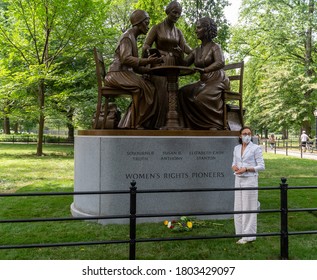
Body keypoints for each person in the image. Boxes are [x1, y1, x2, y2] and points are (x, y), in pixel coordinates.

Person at [104, 10, 162, 129]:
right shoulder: (127, 37)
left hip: (124, 73)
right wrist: (147, 61)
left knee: (150, 86)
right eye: (146, 23)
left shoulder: (132, 37)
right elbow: (126, 59)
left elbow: (135, 67)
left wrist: (149, 69)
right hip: (116, 74)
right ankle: (136, 123)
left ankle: (132, 122)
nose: (148, 26)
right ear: (138, 23)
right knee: (144, 88)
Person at [142, 0, 192, 128]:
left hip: (173, 65)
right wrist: (151, 56)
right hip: (159, 64)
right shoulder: (156, 28)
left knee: (173, 92)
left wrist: (195, 52)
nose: (176, 15)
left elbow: (185, 47)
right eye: (174, 12)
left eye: (179, 14)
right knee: (161, 91)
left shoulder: (179, 32)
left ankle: (172, 122)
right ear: (168, 12)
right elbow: (146, 46)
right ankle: (157, 123)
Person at [178, 17, 230, 130]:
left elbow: (220, 62)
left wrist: (205, 70)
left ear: (206, 29)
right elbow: (185, 63)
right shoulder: (196, 50)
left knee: (201, 97)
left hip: (217, 80)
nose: (196, 30)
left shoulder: (215, 47)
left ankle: (215, 124)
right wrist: (179, 54)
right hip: (204, 81)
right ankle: (188, 124)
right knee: (182, 92)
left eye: (199, 28)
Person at [232, 126, 265, 244]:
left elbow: (261, 166)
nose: (247, 135)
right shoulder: (236, 148)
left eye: (249, 133)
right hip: (238, 178)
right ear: (240, 136)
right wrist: (234, 167)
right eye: (245, 133)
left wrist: (246, 169)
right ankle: (240, 232)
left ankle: (248, 236)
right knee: (239, 206)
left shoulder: (256, 148)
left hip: (250, 180)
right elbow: (234, 162)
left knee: (249, 207)